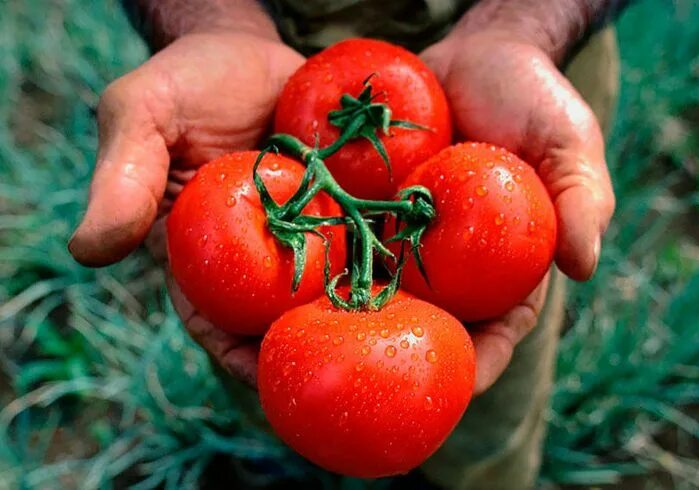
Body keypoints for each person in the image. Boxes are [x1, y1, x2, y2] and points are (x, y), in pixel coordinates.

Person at [68, 1, 626, 488]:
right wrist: (212, 19)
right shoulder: (266, 203)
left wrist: (520, 23)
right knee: (264, 393)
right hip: (244, 67)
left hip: (528, 60)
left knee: (494, 418)